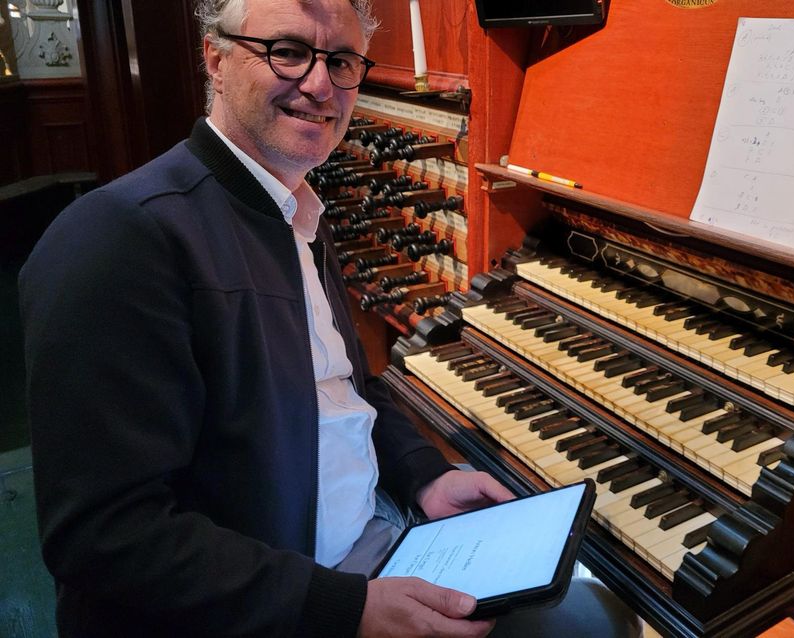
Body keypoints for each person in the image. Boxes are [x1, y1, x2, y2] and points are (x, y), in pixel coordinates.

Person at [20, 0, 642, 636]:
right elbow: (103, 537)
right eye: (286, 52)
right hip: (271, 606)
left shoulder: (298, 213)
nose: (319, 85)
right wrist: (346, 610)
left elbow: (343, 388)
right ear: (216, 58)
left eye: (341, 61)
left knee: (588, 604)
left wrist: (423, 476)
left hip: (372, 538)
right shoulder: (117, 237)